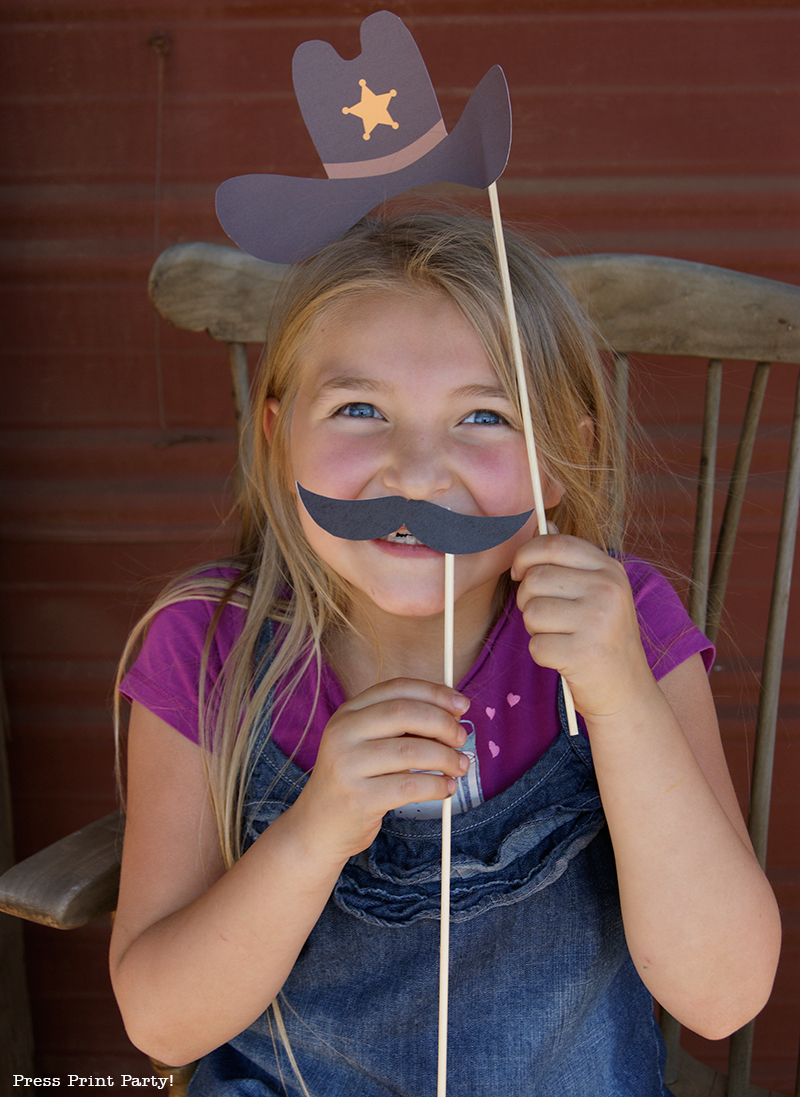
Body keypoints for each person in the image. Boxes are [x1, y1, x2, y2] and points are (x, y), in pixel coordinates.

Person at [109, 211, 781, 1096]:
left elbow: (723, 995)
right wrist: (314, 834)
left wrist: (622, 697)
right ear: (276, 435)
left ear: (561, 458)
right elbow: (161, 1021)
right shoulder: (210, 645)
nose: (417, 470)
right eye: (359, 408)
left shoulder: (625, 629)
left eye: (483, 415)